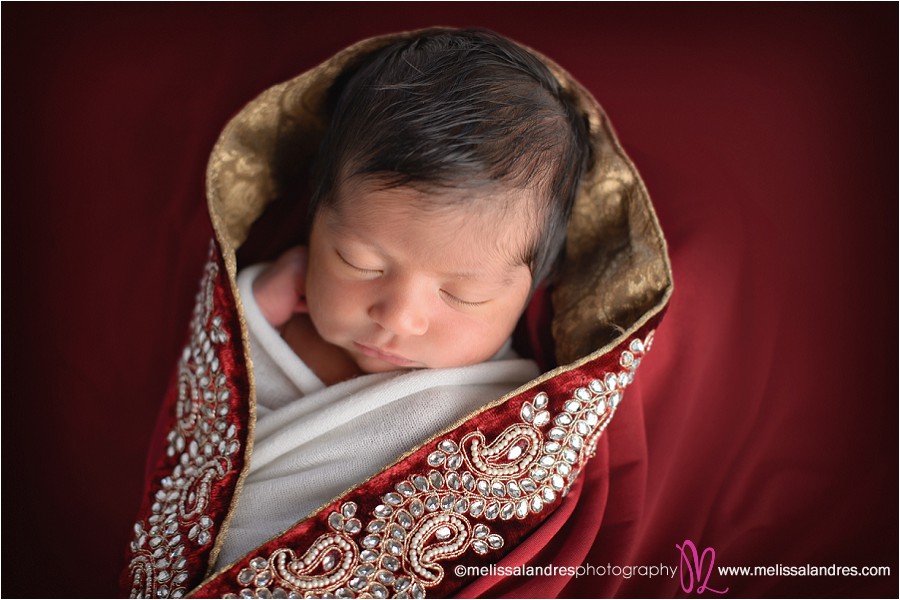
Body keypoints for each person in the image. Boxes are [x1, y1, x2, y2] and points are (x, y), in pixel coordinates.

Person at [122, 28, 672, 599]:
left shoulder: (510, 414)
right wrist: (257, 304)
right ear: (314, 221)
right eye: (358, 262)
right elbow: (206, 423)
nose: (397, 318)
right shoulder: (268, 321)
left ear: (536, 292)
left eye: (463, 295)